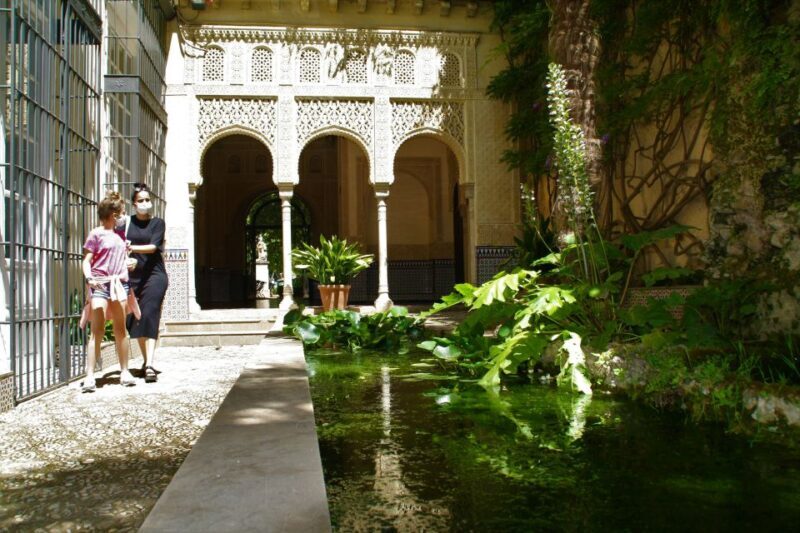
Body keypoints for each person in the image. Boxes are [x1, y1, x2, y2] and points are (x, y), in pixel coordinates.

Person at [80, 192, 140, 392]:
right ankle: (89, 375)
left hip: (119, 285)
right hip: (101, 284)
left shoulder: (121, 237)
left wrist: (130, 262)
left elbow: (123, 261)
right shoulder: (96, 234)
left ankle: (124, 371)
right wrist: (89, 279)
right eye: (122, 213)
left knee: (120, 329)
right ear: (114, 215)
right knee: (96, 330)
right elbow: (86, 261)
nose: (124, 217)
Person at [126, 183, 169, 383]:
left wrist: (131, 247)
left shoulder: (157, 223)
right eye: (141, 200)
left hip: (155, 276)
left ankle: (150, 363)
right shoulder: (126, 224)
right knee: (135, 318)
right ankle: (145, 360)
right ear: (134, 204)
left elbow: (153, 247)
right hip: (133, 277)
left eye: (147, 200)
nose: (145, 203)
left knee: (150, 312)